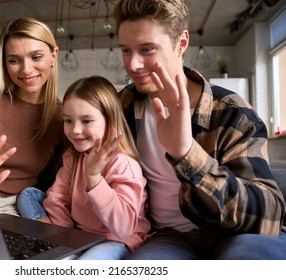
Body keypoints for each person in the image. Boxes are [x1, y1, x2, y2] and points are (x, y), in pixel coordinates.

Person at [113, 0, 286, 259]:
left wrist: (186, 153)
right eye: (126, 50)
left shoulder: (231, 111)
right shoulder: (123, 105)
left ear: (181, 43)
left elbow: (269, 213)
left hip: (232, 233)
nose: (133, 65)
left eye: (147, 49)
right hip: (167, 237)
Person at [19, 76, 151, 260]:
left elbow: (124, 227)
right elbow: (58, 199)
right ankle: (60, 247)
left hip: (115, 239)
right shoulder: (72, 158)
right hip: (80, 235)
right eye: (68, 121)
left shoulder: (123, 164)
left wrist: (94, 176)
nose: (75, 130)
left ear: (109, 120)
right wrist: (63, 239)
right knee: (28, 195)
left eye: (86, 121)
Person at [0, 17, 65, 217]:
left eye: (36, 57)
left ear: (53, 56)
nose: (26, 69)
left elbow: (58, 182)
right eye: (14, 60)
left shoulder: (62, 118)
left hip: (20, 209)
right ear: (4, 63)